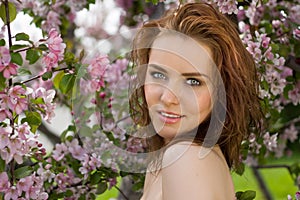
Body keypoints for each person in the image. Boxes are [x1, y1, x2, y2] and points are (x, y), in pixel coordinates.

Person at [129, 2, 262, 200]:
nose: (168, 98)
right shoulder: (167, 161)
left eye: (193, 82)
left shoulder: (184, 160)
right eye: (159, 75)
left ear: (221, 91)